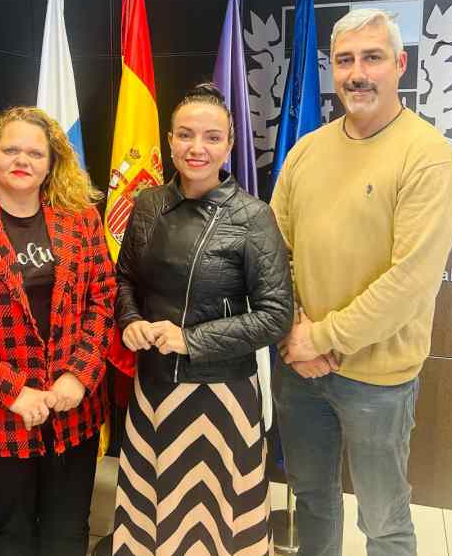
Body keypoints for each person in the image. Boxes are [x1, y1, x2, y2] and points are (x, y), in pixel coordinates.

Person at [270, 8, 452, 556]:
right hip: (299, 369)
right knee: (312, 500)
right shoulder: (306, 151)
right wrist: (294, 331)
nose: (357, 73)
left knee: (383, 521)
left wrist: (321, 337)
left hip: (378, 381)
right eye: (345, 60)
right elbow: (273, 252)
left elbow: (410, 281)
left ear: (400, 64)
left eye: (372, 58)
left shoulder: (428, 156)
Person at [111, 83, 293, 556]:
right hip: (153, 389)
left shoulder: (254, 217)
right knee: (151, 517)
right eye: (186, 134)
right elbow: (124, 278)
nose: (197, 148)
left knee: (214, 527)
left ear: (229, 145)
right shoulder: (147, 204)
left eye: (212, 137)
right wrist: (130, 319)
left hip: (220, 397)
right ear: (170, 140)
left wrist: (190, 340)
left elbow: (276, 316)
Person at [0, 106, 115, 556]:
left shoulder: (81, 219)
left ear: (52, 163)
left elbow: (103, 301)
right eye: (11, 150)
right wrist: (13, 393)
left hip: (72, 407)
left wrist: (78, 376)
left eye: (35, 153)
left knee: (68, 529)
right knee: (13, 532)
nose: (22, 160)